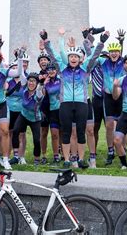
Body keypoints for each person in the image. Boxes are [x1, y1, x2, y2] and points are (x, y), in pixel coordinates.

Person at [43, 28, 107, 168]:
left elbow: (94, 55)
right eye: (71, 56)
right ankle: (67, 160)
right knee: (66, 132)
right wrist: (46, 40)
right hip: (65, 104)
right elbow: (53, 55)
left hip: (81, 104)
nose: (73, 59)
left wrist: (101, 42)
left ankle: (81, 159)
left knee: (80, 132)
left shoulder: (85, 69)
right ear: (69, 59)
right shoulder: (62, 69)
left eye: (76, 57)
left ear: (79, 59)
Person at [95, 27, 127, 165]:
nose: (114, 53)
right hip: (108, 96)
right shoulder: (103, 62)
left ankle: (123, 148)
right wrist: (100, 42)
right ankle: (111, 151)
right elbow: (91, 55)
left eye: (116, 51)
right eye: (111, 52)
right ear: (109, 53)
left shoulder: (124, 63)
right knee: (110, 125)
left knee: (124, 125)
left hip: (122, 96)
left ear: (119, 52)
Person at [10, 73, 45, 165]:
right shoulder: (25, 89)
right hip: (23, 115)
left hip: (35, 118)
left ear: (36, 83)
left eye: (34, 81)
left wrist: (40, 84)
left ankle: (37, 159)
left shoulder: (39, 93)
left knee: (36, 140)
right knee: (16, 131)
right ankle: (16, 156)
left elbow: (39, 89)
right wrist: (20, 58)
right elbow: (21, 74)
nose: (31, 83)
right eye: (30, 81)